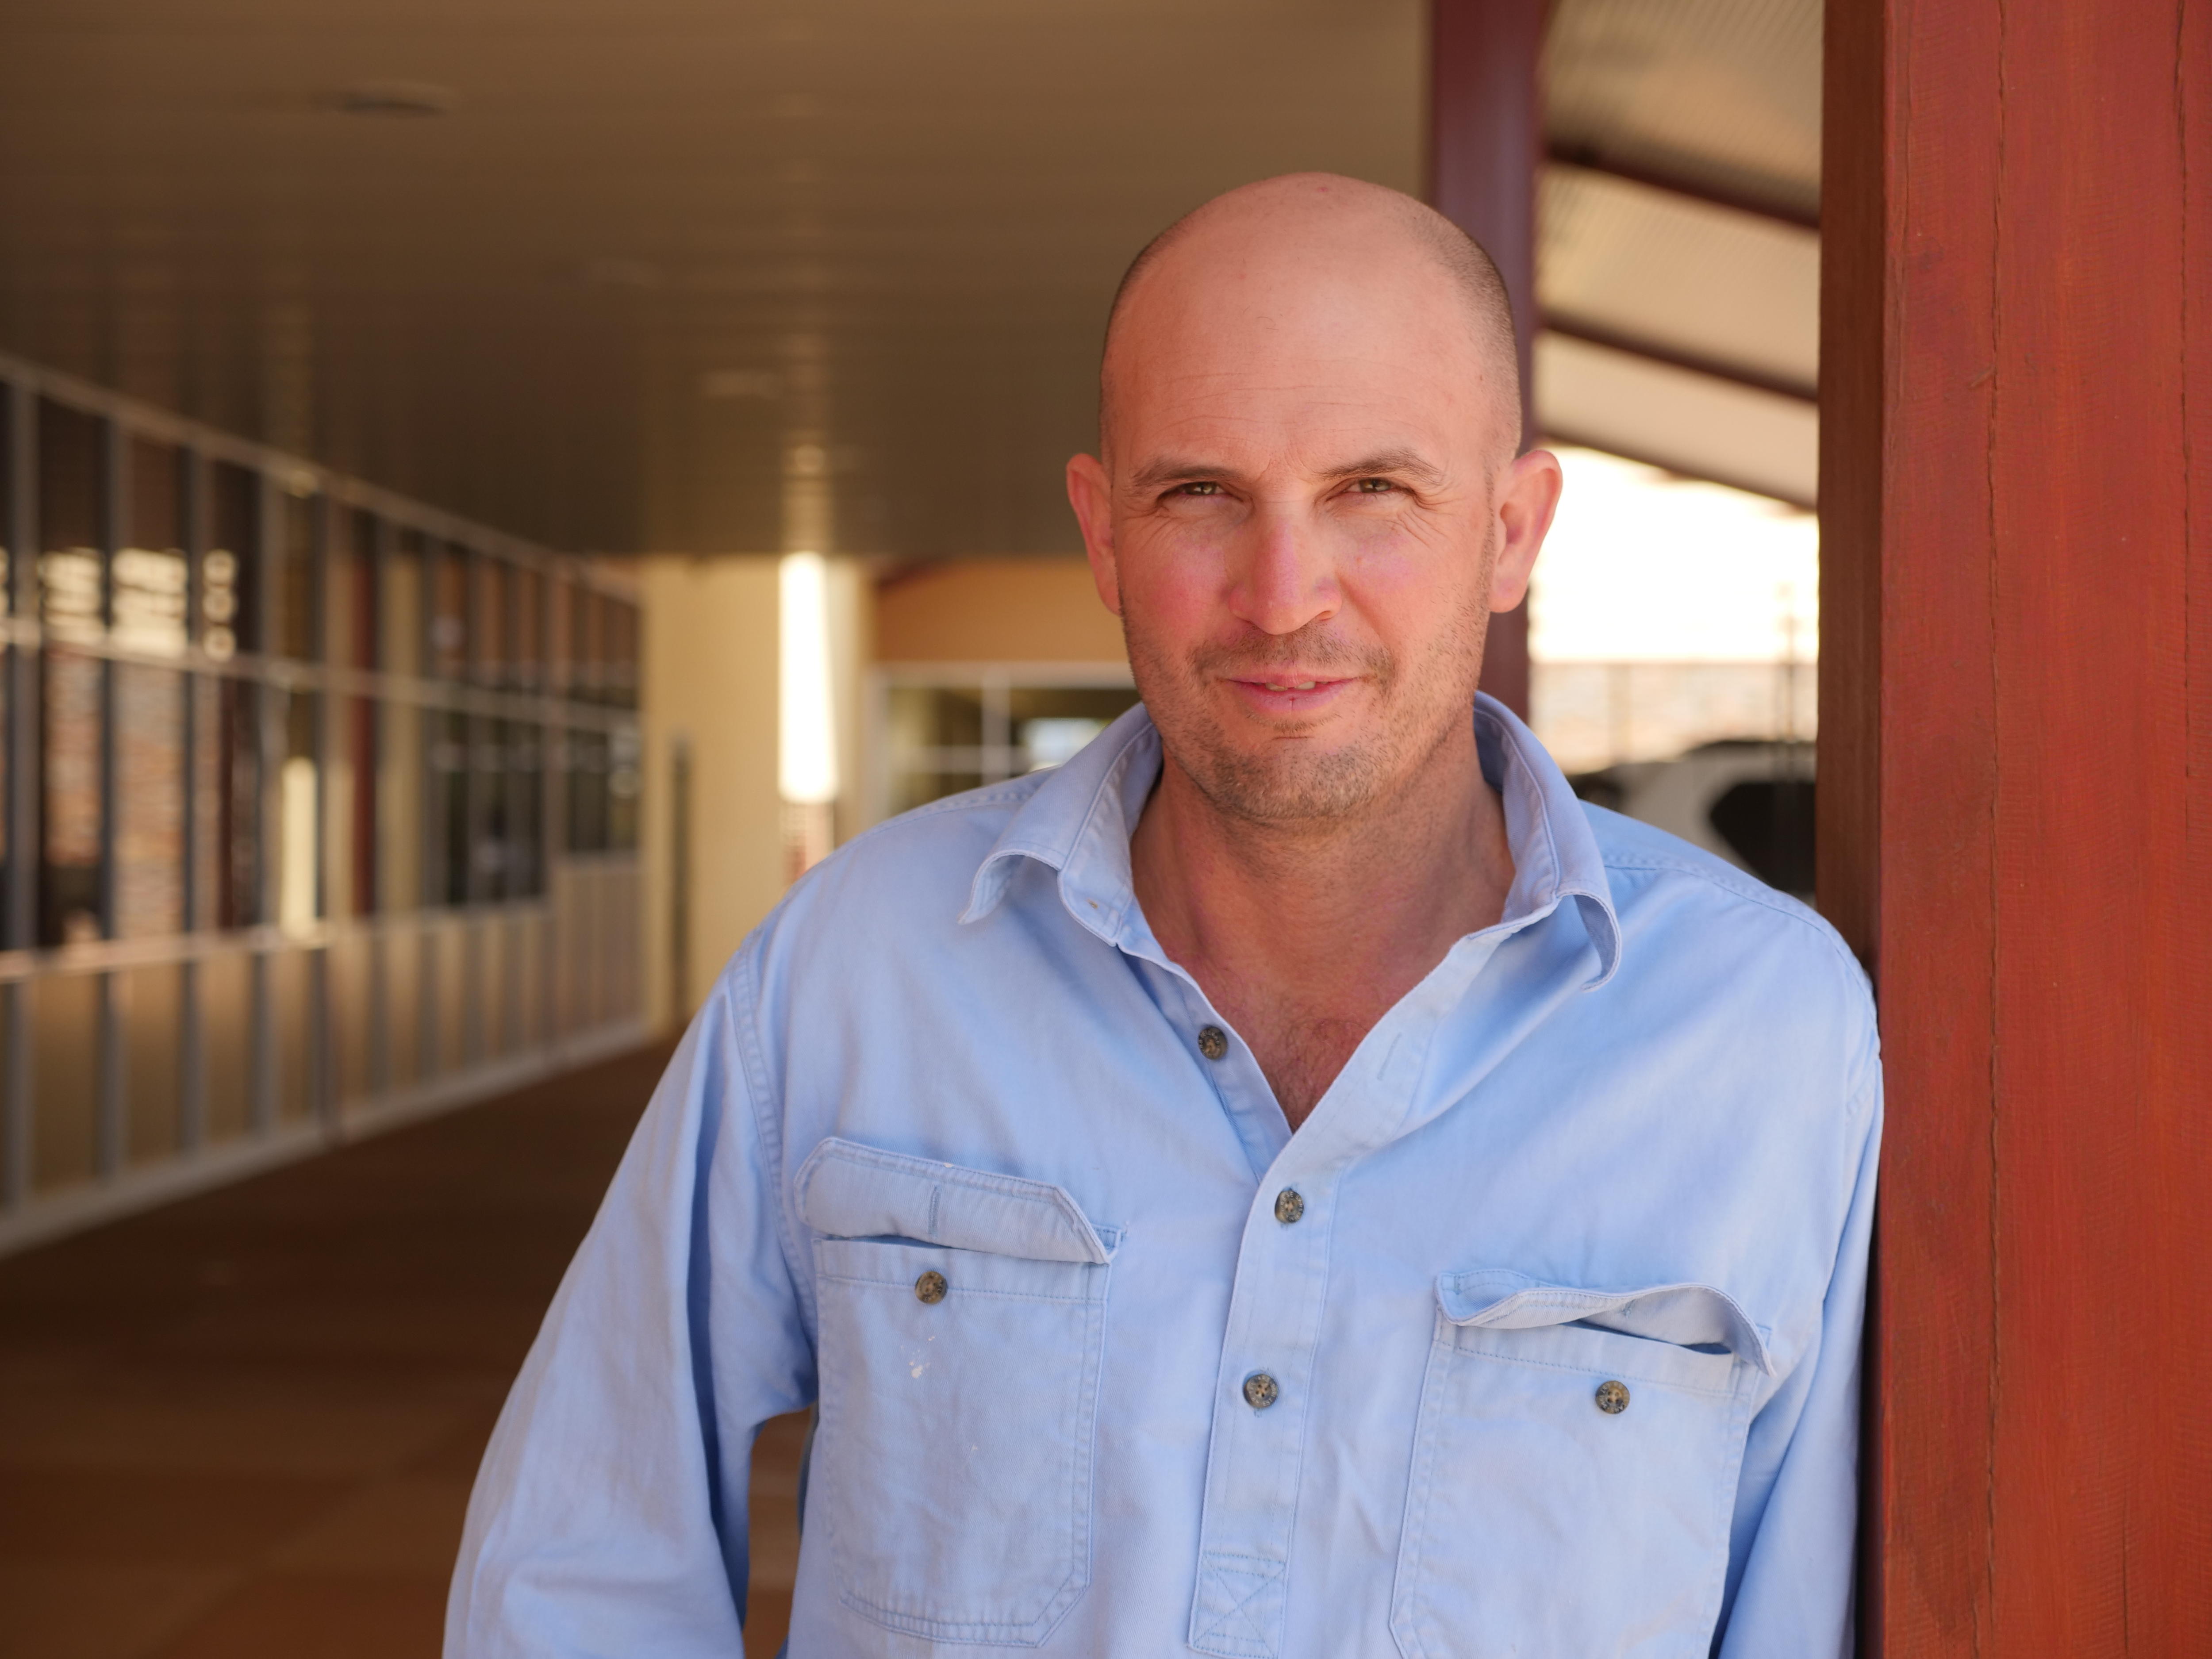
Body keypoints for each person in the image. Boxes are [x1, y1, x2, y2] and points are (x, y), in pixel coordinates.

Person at [448, 173, 1880, 1658]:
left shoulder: (1765, 1035)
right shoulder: (855, 970)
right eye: (1200, 493)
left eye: (1372, 492)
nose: (1280, 594)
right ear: (1101, 530)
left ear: (1513, 530)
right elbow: (579, 1559)